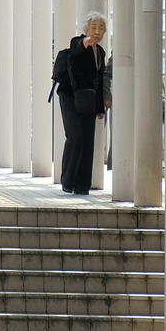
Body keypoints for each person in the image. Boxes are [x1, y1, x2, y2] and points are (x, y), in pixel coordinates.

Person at [53, 12, 107, 196]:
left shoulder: (100, 52)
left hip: (89, 101)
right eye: (94, 27)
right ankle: (67, 180)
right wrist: (84, 43)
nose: (97, 31)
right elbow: (76, 50)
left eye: (101, 28)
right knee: (75, 136)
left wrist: (100, 107)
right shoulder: (78, 42)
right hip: (69, 96)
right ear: (86, 29)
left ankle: (83, 185)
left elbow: (99, 81)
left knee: (88, 141)